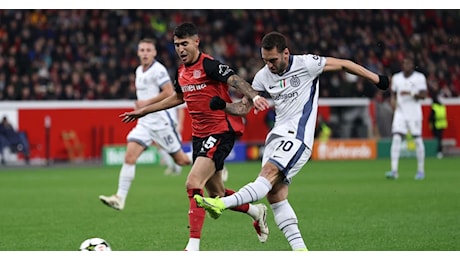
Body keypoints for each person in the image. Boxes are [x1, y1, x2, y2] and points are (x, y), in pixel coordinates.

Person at [193, 31, 389, 251]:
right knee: (275, 194)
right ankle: (300, 250)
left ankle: (221, 203)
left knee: (266, 175)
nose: (269, 65)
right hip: (277, 135)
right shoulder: (263, 76)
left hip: (298, 136)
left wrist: (376, 79)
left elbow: (343, 64)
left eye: (273, 60)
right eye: (265, 60)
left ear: (286, 53)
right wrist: (224, 106)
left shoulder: (307, 64)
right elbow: (244, 108)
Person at [119, 22, 271, 251]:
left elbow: (235, 80)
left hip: (221, 130)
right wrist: (142, 111)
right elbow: (176, 98)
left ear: (196, 42)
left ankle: (192, 247)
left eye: (184, 44)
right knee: (217, 193)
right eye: (177, 45)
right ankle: (255, 211)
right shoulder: (181, 72)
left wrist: (254, 96)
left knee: (192, 183)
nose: (180, 49)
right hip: (199, 135)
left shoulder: (208, 65)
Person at [99, 38, 193, 211]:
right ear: (138, 52)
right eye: (142, 50)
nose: (145, 53)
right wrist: (142, 106)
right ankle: (120, 197)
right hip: (144, 123)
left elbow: (169, 92)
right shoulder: (139, 71)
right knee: (129, 157)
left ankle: (210, 155)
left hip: (161, 123)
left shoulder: (158, 70)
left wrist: (146, 103)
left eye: (148, 50)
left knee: (182, 161)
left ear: (154, 53)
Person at [385, 56, 428, 180]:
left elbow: (424, 95)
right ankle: (394, 171)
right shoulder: (396, 78)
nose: (406, 65)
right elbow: (393, 93)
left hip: (414, 112)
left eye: (408, 63)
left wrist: (411, 93)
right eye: (404, 63)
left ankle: (421, 171)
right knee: (396, 138)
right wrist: (393, 101)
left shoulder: (419, 78)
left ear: (413, 65)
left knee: (418, 140)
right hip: (400, 112)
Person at [429, 94, 448, 159]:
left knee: (437, 140)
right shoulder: (442, 106)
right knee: (440, 139)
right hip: (442, 124)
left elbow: (431, 117)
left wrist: (431, 124)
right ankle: (439, 152)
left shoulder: (434, 107)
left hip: (436, 125)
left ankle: (438, 152)